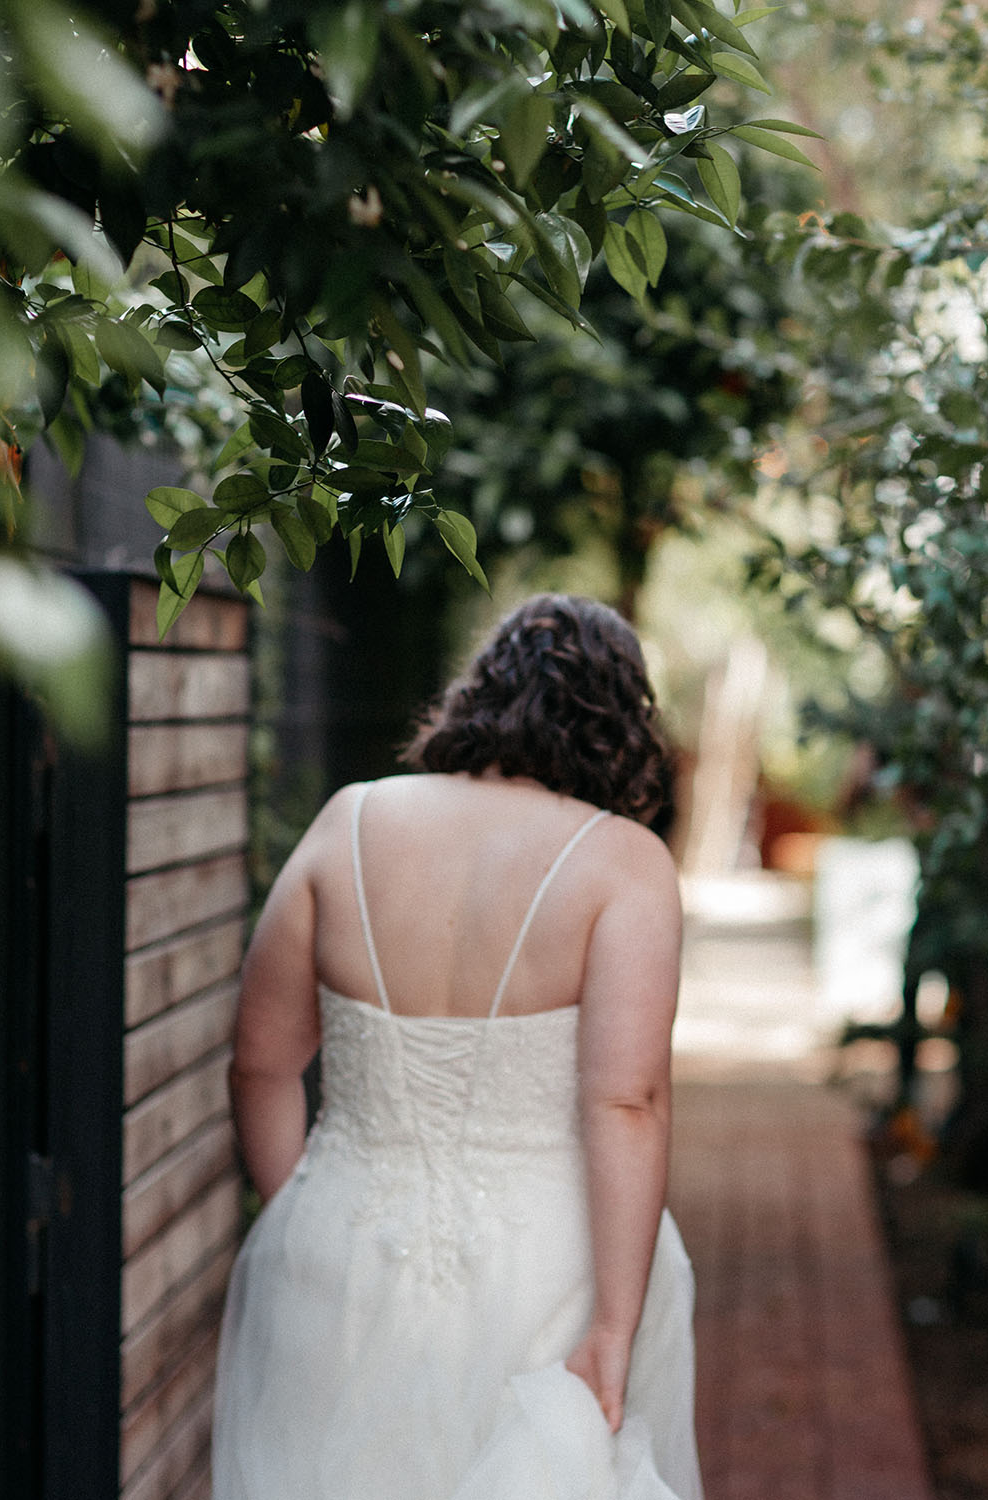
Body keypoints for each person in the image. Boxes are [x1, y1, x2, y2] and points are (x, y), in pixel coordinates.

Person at [212, 593, 704, 1500]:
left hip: (341, 1251)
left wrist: (304, 1212)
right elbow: (626, 1102)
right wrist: (615, 1325)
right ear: (619, 726)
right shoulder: (624, 864)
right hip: (549, 1273)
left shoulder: (348, 821)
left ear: (478, 696)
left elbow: (261, 1064)